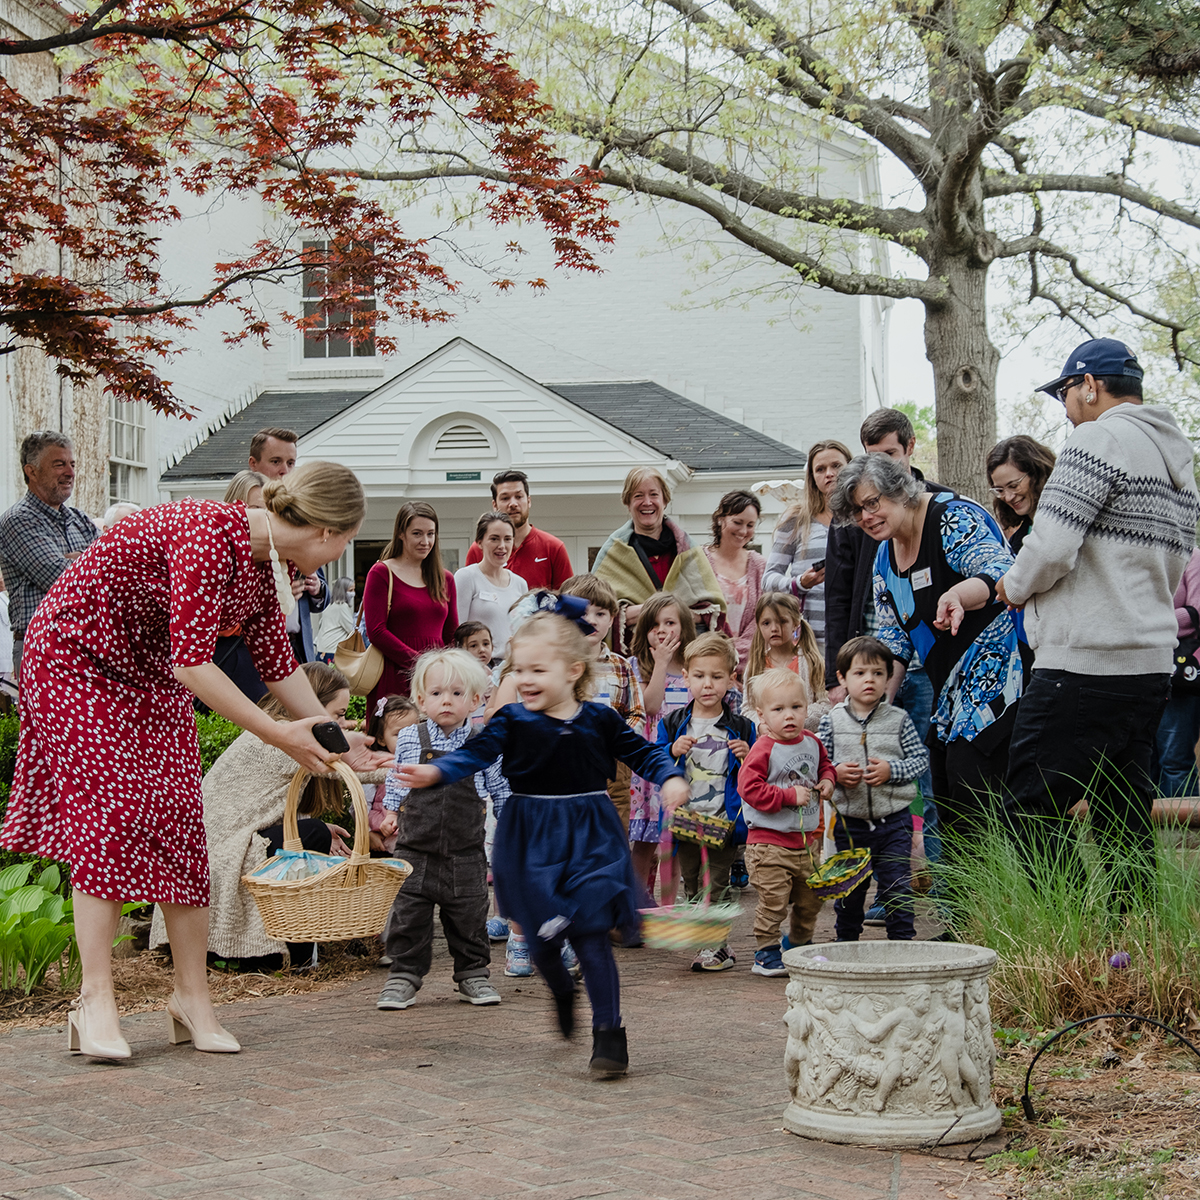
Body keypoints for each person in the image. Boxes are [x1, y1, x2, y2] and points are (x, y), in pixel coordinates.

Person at [0, 461, 379, 1060]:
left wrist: (335, 740)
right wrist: (281, 736)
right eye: (347, 543)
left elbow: (279, 665)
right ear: (329, 533)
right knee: (111, 818)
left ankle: (191, 997)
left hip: (147, 674)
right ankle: (95, 1001)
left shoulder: (263, 570)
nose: (334, 558)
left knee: (182, 819)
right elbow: (194, 666)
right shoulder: (207, 532)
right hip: (77, 661)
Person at [394, 604, 689, 1076]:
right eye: (519, 669)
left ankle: (609, 1034)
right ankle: (560, 988)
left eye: (538, 669)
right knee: (542, 939)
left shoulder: (600, 719)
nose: (525, 679)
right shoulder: (512, 721)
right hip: (529, 836)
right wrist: (434, 770)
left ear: (573, 671)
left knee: (591, 934)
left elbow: (645, 753)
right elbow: (473, 754)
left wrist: (670, 777)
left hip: (591, 833)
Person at [998, 338, 1200, 910]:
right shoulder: (1177, 460)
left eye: (1066, 392)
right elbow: (1176, 560)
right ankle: (1130, 943)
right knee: (1122, 813)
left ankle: (1072, 929)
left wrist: (1013, 587)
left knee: (1029, 803)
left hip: (1087, 658)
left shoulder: (1096, 437)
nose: (1064, 407)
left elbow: (1053, 546)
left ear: (1090, 385)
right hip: (1149, 661)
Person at [830, 454, 1031, 855]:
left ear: (899, 491)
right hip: (950, 692)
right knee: (945, 794)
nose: (866, 516)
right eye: (857, 510)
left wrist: (958, 594)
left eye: (873, 503)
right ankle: (966, 913)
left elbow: (1000, 571)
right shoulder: (885, 558)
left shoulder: (951, 517)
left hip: (999, 680)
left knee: (977, 796)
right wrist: (873, 707)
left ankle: (1013, 903)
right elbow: (893, 641)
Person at [148, 662, 389, 971]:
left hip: (226, 850)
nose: (345, 723)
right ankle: (297, 954)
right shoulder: (277, 741)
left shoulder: (278, 736)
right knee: (311, 833)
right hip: (222, 859)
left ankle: (294, 950)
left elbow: (269, 807)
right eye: (338, 714)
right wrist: (408, 768)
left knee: (312, 831)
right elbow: (345, 767)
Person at [376, 649, 510, 1010]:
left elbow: (500, 787)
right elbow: (398, 779)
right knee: (409, 916)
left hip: (465, 852)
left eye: (456, 693)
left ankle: (473, 975)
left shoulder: (483, 742)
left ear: (476, 700)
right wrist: (390, 811)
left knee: (469, 915)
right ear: (421, 699)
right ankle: (404, 976)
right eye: (436, 694)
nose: (446, 701)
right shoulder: (409, 738)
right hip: (414, 849)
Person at [818, 636, 930, 943]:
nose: (870, 680)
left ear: (888, 678)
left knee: (898, 885)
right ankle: (847, 942)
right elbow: (820, 764)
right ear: (842, 677)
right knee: (851, 888)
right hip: (850, 824)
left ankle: (902, 944)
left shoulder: (899, 720)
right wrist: (837, 772)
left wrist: (891, 771)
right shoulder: (832, 721)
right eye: (860, 673)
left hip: (894, 821)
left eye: (878, 673)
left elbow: (920, 761)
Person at [657, 632, 754, 972]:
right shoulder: (673, 723)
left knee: (718, 883)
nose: (707, 685)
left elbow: (757, 772)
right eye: (699, 676)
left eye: (716, 677)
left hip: (722, 822)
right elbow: (655, 762)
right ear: (685, 677)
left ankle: (718, 947)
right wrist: (671, 751)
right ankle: (705, 942)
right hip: (685, 821)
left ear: (731, 678)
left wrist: (747, 756)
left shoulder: (741, 726)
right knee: (692, 883)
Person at [738, 667, 835, 976]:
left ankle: (798, 945)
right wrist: (788, 797)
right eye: (778, 709)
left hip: (806, 843)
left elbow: (826, 767)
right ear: (762, 715)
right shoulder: (764, 748)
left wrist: (829, 781)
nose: (789, 716)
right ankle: (765, 952)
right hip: (769, 843)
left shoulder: (812, 742)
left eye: (796, 707)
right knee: (774, 901)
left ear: (807, 708)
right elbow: (749, 788)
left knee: (811, 899)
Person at [593, 466, 726, 653]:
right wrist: (672, 612)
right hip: (634, 664)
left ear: (665, 500)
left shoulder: (689, 551)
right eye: (638, 496)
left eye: (654, 494)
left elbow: (713, 612)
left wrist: (644, 612)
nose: (647, 502)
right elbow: (596, 614)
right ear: (628, 503)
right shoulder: (612, 554)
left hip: (688, 662)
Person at [0, 431, 98, 677]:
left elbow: (116, 566)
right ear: (31, 471)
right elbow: (60, 580)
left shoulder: (81, 519)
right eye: (59, 464)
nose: (70, 472)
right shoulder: (18, 520)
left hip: (88, 645)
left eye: (72, 464)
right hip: (43, 646)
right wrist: (89, 559)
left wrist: (74, 560)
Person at [559, 574, 646, 832]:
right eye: (584, 613)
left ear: (611, 619)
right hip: (568, 756)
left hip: (613, 761)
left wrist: (619, 739)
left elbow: (636, 712)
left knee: (614, 827)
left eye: (600, 614)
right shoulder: (556, 664)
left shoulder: (621, 665)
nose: (591, 621)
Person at [629, 592, 698, 898]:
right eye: (654, 624)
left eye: (669, 622)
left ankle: (669, 908)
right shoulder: (637, 666)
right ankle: (637, 906)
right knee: (644, 843)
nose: (661, 630)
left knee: (677, 841)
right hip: (650, 767)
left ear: (683, 627)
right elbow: (651, 706)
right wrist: (660, 664)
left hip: (684, 763)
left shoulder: (694, 669)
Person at [362, 501, 457, 709]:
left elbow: (451, 635)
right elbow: (376, 631)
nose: (425, 541)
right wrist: (419, 663)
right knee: (393, 735)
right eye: (417, 533)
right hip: (394, 673)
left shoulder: (446, 579)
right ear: (401, 534)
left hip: (435, 678)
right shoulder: (381, 573)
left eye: (431, 534)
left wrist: (445, 670)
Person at [764, 439, 853, 657]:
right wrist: (799, 583)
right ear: (812, 478)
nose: (829, 474)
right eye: (820, 469)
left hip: (853, 638)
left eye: (836, 466)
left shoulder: (862, 518)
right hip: (807, 640)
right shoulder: (796, 518)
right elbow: (768, 580)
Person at [248, 427, 327, 663]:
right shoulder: (241, 514)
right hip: (252, 650)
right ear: (253, 463)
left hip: (297, 647)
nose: (285, 470)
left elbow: (320, 591)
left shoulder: (301, 516)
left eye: (291, 463)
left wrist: (318, 588)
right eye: (276, 461)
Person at [464, 470, 572, 588]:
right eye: (505, 498)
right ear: (494, 505)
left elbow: (568, 599)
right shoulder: (478, 549)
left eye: (519, 496)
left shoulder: (553, 548)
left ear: (529, 501)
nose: (513, 504)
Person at [744, 592, 829, 732]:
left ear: (795, 623)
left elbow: (826, 704)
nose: (774, 628)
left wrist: (796, 720)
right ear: (758, 626)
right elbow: (748, 709)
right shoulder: (755, 666)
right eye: (766, 623)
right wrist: (760, 725)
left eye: (782, 621)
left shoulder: (812, 662)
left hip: (803, 741)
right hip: (769, 745)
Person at [703, 491, 766, 674]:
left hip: (751, 667)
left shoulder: (760, 565)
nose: (743, 531)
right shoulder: (699, 561)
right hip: (706, 664)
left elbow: (762, 619)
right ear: (721, 519)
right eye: (737, 522)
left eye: (750, 525)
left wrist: (737, 656)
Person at [455, 511, 529, 660]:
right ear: (480, 542)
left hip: (512, 666)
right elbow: (457, 630)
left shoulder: (520, 584)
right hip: (479, 666)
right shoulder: (467, 577)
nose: (501, 546)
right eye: (494, 539)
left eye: (507, 539)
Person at [1157, 548, 1200, 797]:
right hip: (1143, 670)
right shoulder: (1142, 551)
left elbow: (1197, 612)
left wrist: (1149, 622)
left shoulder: (1192, 557)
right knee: (1144, 761)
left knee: (1175, 762)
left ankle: (1179, 836)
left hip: (1181, 676)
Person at [365, 695, 420, 855]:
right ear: (381, 739)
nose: (409, 739)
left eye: (414, 732)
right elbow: (361, 803)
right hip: (382, 842)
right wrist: (366, 832)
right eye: (399, 734)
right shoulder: (377, 765)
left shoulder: (424, 762)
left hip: (415, 843)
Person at [985, 436, 1057, 553]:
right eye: (1000, 490)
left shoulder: (1066, 525)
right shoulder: (1015, 542)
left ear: (1037, 475)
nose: (1008, 497)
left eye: (1014, 486)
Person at [313, 577, 357, 663]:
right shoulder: (342, 607)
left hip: (323, 650)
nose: (353, 593)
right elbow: (351, 630)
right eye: (350, 590)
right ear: (343, 591)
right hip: (333, 650)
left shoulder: (330, 606)